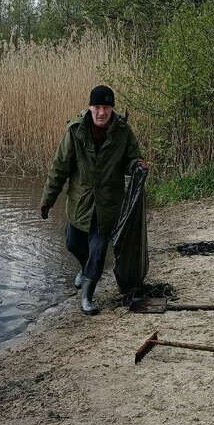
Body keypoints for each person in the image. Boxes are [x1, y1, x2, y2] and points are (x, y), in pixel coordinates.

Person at [39, 85, 148, 315]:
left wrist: (136, 166)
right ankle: (84, 268)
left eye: (106, 107)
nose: (102, 112)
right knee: (72, 243)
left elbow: (131, 159)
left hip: (107, 205)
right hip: (80, 203)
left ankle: (87, 297)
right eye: (98, 106)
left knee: (98, 252)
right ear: (90, 107)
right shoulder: (75, 131)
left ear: (112, 109)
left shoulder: (123, 131)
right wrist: (47, 200)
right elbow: (59, 168)